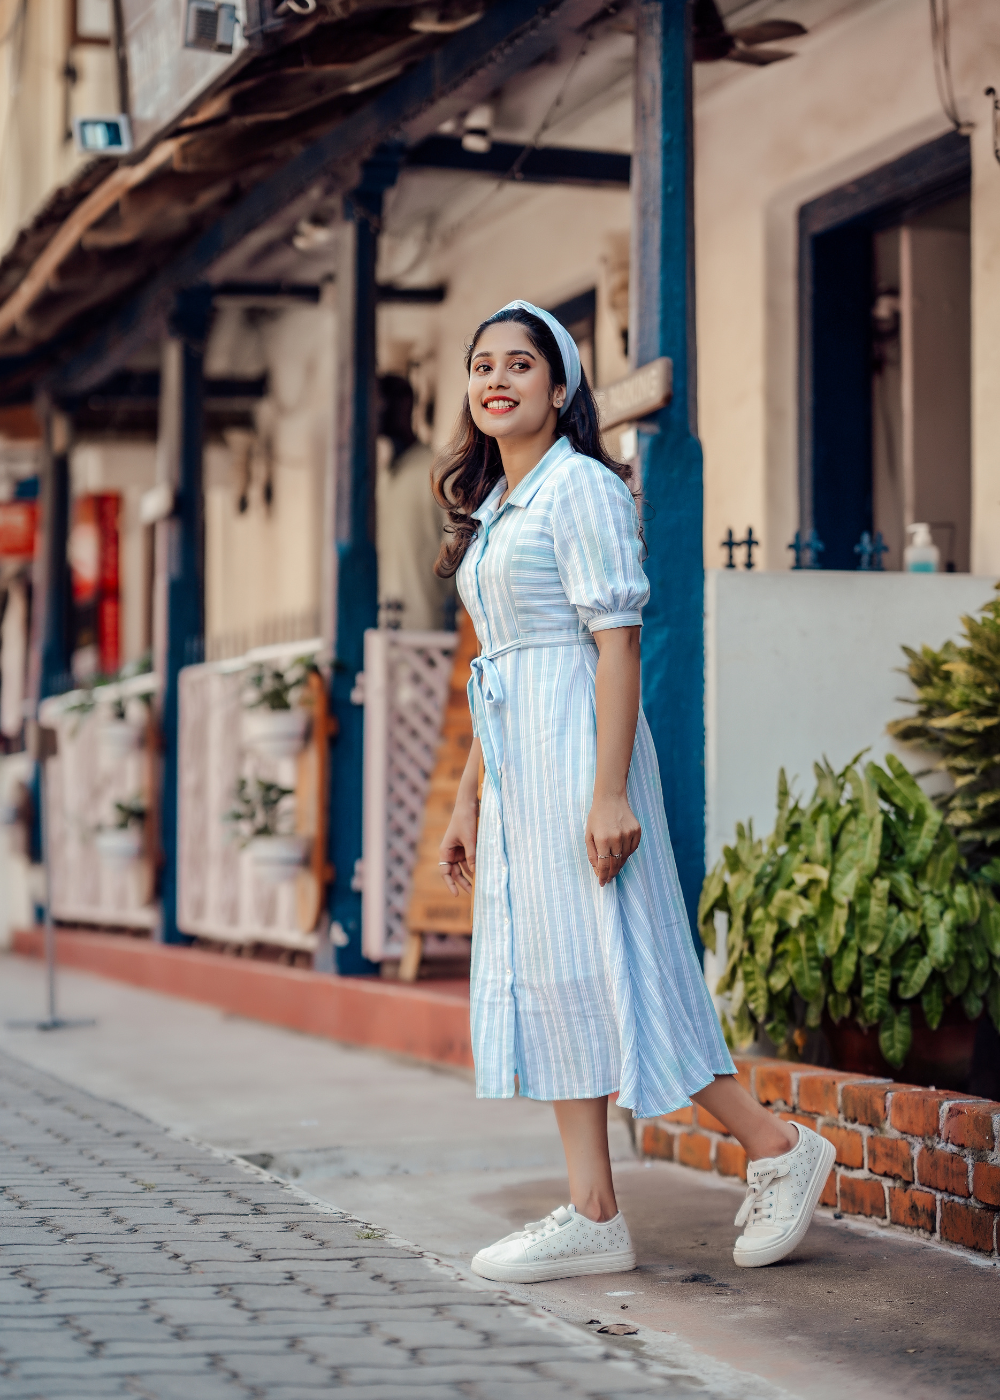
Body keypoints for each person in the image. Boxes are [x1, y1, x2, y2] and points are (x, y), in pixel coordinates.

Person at [433, 300, 835, 1282]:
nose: (496, 379)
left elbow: (615, 645)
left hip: (580, 756)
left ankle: (778, 1147)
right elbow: (500, 661)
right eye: (482, 364)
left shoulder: (579, 487)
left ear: (559, 386)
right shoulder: (498, 507)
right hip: (519, 769)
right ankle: (593, 1213)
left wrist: (608, 792)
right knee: (557, 975)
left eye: (519, 363)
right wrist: (468, 795)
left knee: (627, 964)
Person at [376, 373, 455, 632]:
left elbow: (457, 550)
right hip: (384, 630)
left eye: (383, 402)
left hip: (430, 634)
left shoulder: (437, 470)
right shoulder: (383, 478)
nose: (378, 412)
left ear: (406, 403)